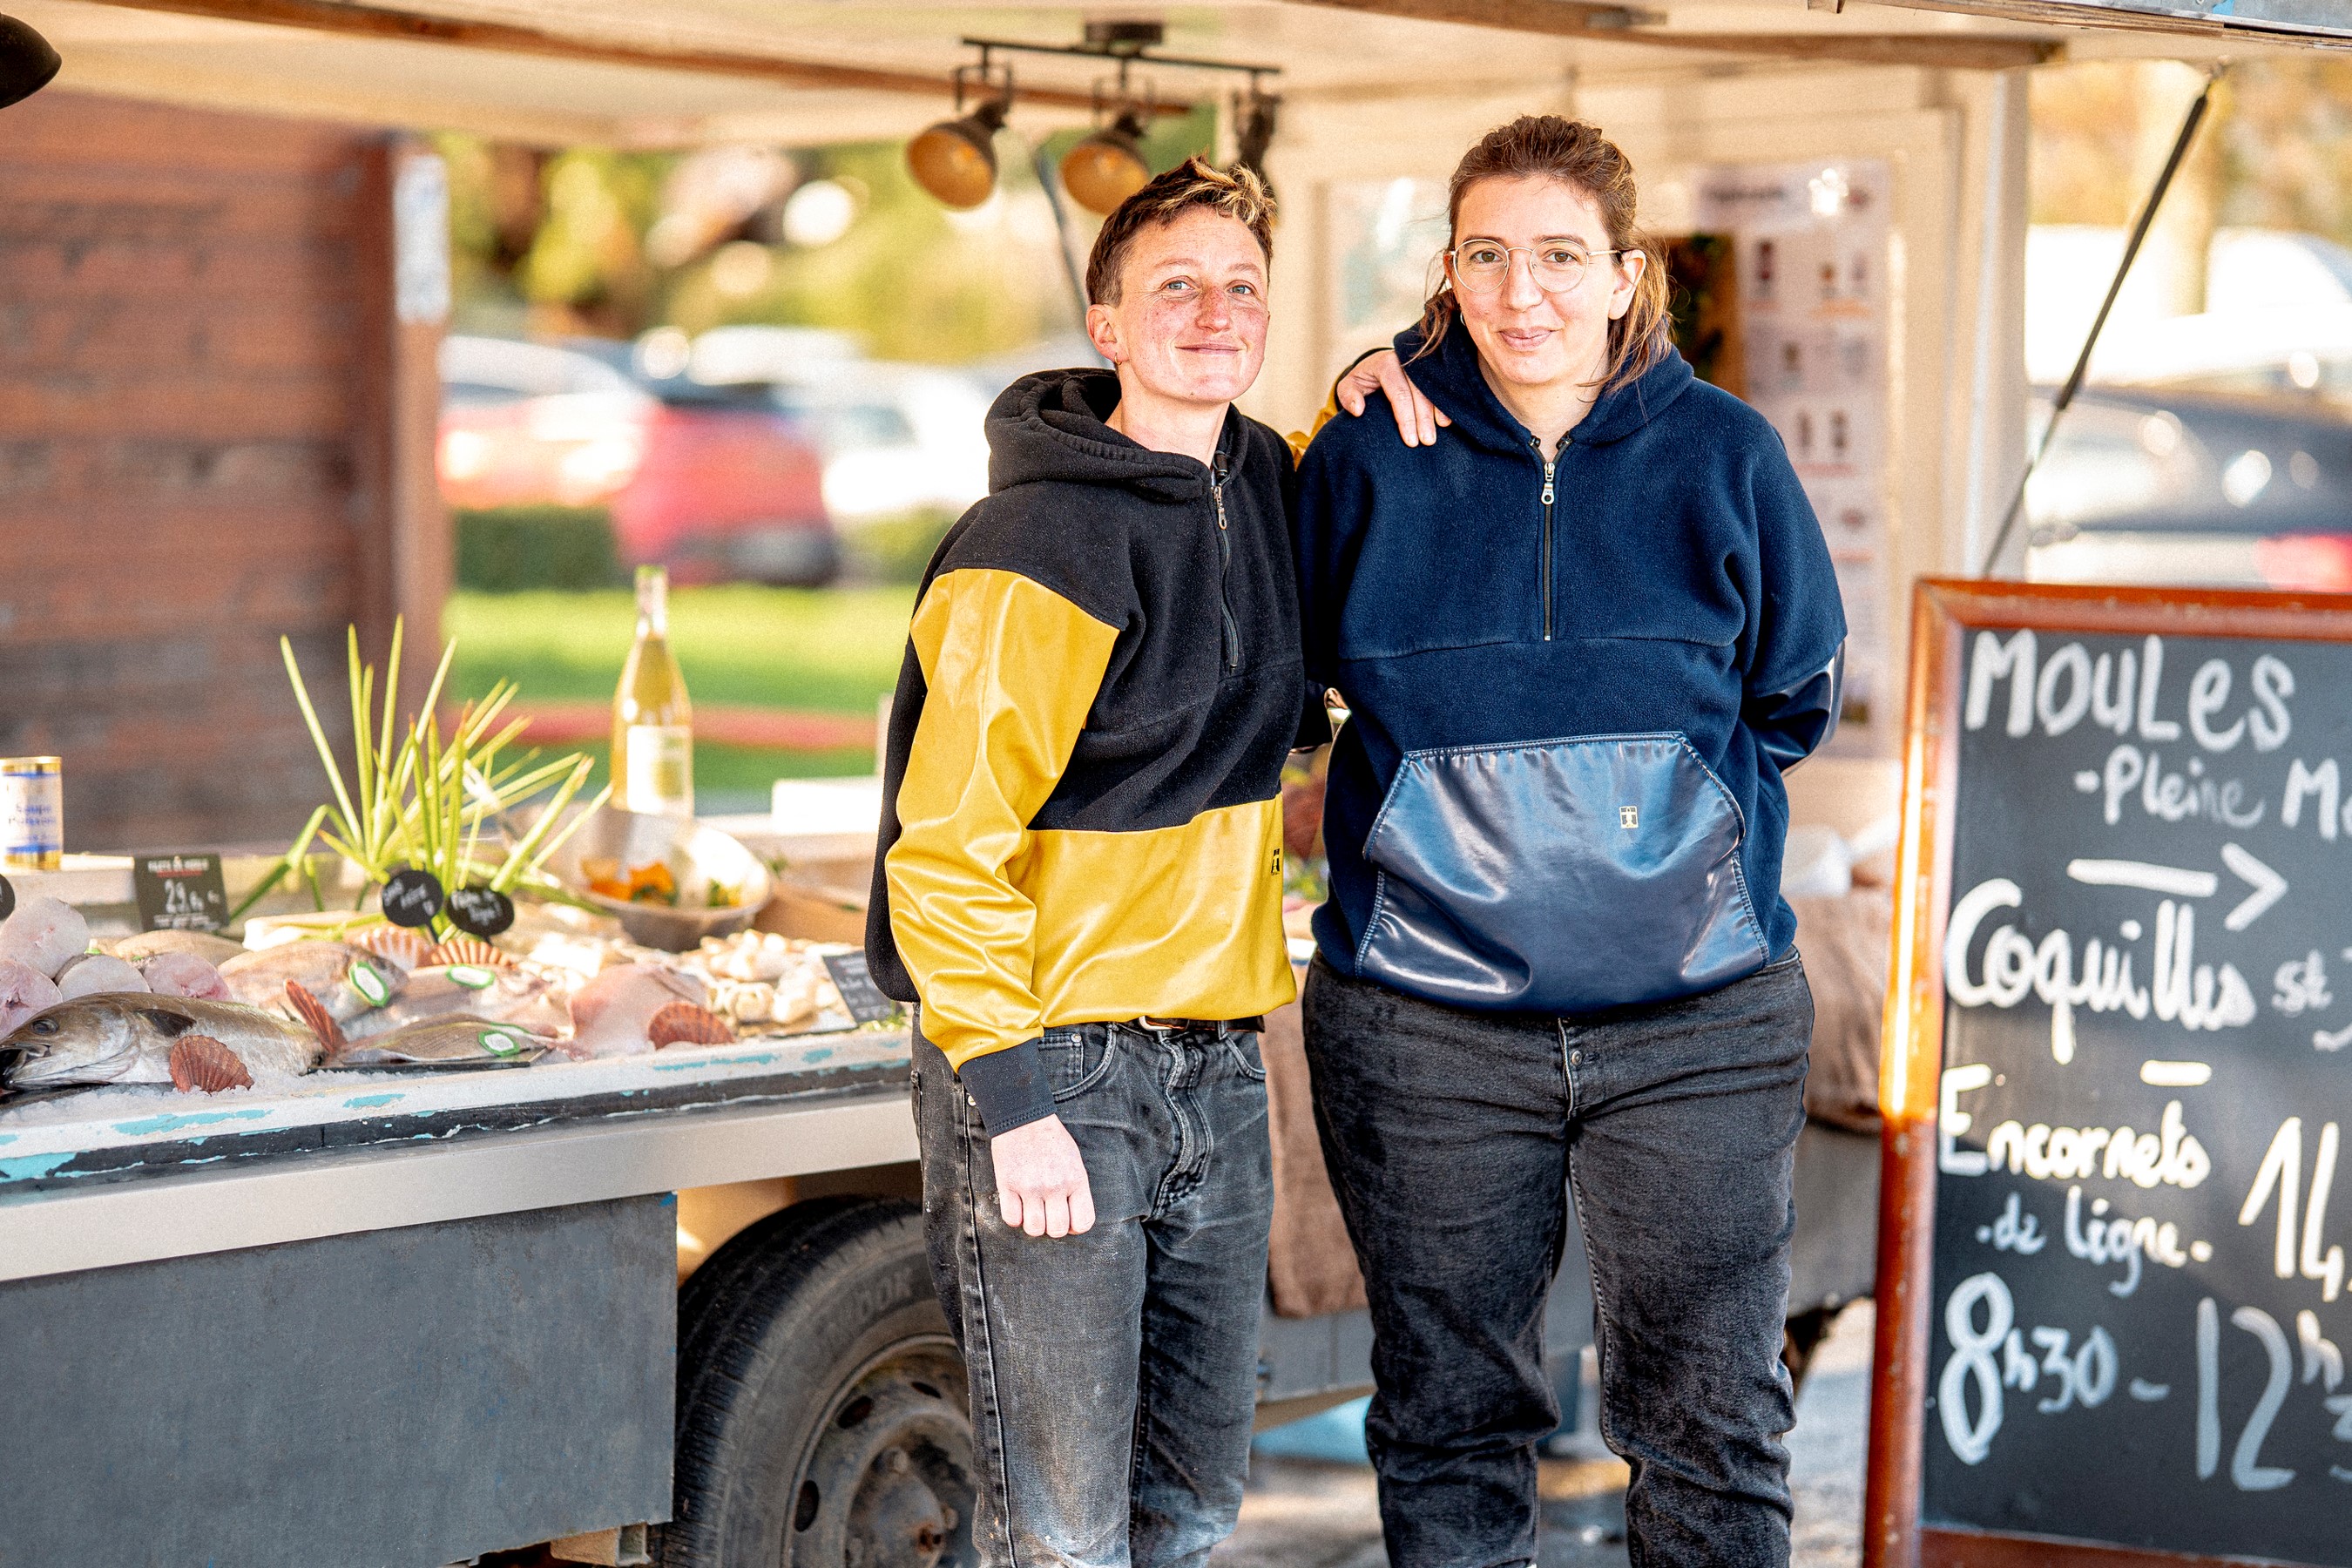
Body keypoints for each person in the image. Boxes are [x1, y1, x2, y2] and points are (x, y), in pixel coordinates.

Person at [1291, 115, 1848, 1567]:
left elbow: (1792, 695)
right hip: (1423, 1024)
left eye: (1556, 256)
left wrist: (1664, 832)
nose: (1520, 291)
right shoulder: (1366, 454)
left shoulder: (1726, 455)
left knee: (1712, 1424)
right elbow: (1290, 685)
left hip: (1699, 1020)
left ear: (1623, 275)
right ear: (1448, 271)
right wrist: (1357, 382)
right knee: (1449, 1421)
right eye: (1485, 256)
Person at [864, 155, 1422, 1568]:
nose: (1215, 311)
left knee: (1191, 1506)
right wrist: (1013, 1101)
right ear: (1105, 322)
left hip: (1218, 1060)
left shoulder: (1265, 485)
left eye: (1243, 287)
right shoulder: (1033, 546)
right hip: (1056, 1059)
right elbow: (943, 853)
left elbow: (1336, 472)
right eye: (1176, 286)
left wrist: (1374, 377)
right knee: (1063, 1533)